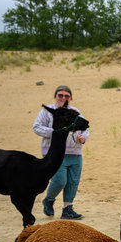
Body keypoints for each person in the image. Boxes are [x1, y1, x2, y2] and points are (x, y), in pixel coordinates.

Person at [33, 85, 89, 220]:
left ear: (70, 98)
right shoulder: (47, 111)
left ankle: (67, 209)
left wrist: (83, 137)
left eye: (66, 96)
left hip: (75, 152)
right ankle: (49, 200)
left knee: (73, 181)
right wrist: (54, 133)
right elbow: (36, 127)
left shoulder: (75, 111)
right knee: (59, 181)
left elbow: (85, 128)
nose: (63, 98)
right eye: (60, 95)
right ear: (55, 96)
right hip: (54, 153)